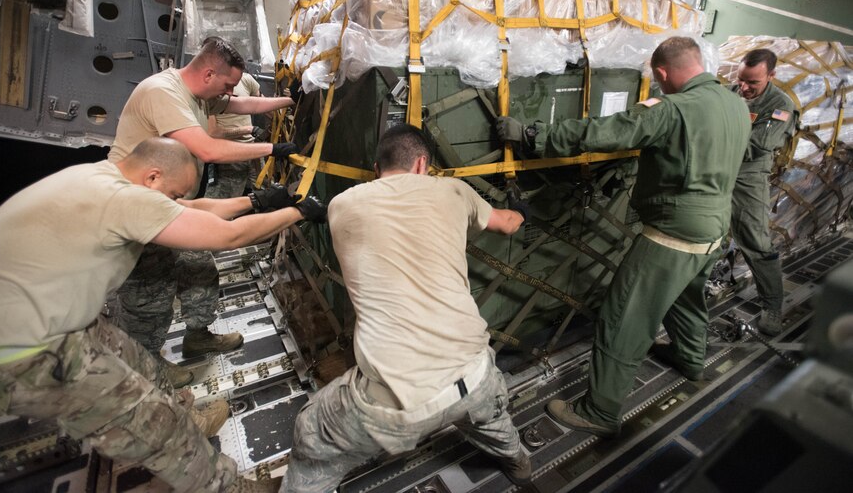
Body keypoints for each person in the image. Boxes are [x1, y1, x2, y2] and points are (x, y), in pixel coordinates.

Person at [0, 137, 325, 493]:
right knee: (157, 427)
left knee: (141, 361)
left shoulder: (101, 178)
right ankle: (224, 485)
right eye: (173, 194)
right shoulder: (126, 199)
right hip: (15, 353)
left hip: (45, 321)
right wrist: (298, 212)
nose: (176, 203)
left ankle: (187, 418)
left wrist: (255, 201)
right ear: (153, 177)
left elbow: (189, 210)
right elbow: (229, 237)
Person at [496, 37, 750, 437]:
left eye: (657, 79)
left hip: (673, 233)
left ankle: (600, 409)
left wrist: (534, 136)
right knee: (687, 297)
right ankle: (690, 357)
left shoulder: (672, 110)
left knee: (624, 317)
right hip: (715, 229)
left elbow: (608, 131)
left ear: (661, 73)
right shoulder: (735, 104)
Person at [280, 124, 532, 492]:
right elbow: (507, 224)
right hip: (476, 376)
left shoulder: (342, 204)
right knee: (492, 420)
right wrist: (521, 211)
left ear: (377, 167)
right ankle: (519, 461)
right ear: (421, 164)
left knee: (312, 436)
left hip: (393, 406)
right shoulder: (455, 191)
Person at [108, 36, 299, 386]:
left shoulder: (198, 95)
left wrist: (290, 98)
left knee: (199, 268)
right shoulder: (163, 93)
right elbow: (209, 150)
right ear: (209, 73)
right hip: (136, 210)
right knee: (150, 299)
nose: (230, 94)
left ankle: (197, 333)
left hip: (170, 204)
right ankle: (143, 369)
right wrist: (274, 148)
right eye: (227, 85)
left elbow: (246, 106)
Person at [730, 49, 798, 336]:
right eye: (741, 80)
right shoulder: (730, 92)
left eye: (753, 83)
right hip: (717, 173)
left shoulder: (780, 106)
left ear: (772, 76)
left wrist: (708, 141)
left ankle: (772, 307)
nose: (744, 88)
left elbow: (756, 146)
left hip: (748, 178)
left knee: (757, 243)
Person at [206, 72, 270, 199]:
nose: (230, 92)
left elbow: (262, 103)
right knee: (221, 203)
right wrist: (247, 129)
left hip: (254, 152)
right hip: (229, 154)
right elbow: (213, 132)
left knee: (267, 196)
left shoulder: (246, 79)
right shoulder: (209, 90)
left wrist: (283, 111)